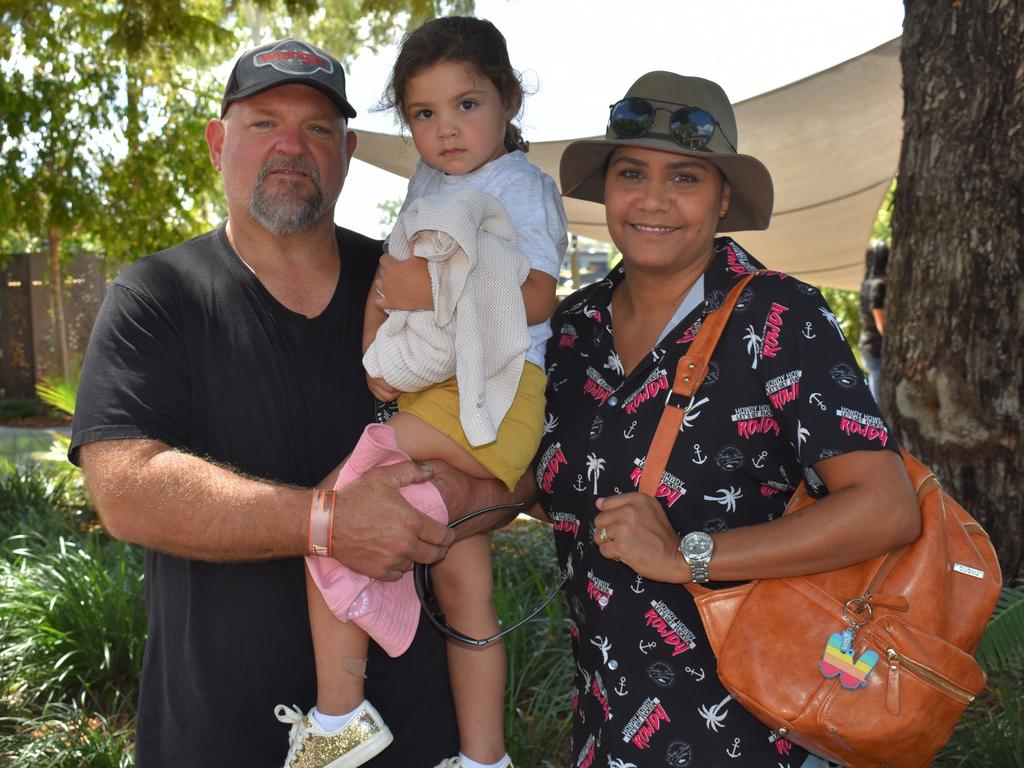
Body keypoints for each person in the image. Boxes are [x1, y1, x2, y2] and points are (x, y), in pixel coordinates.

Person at [69, 38, 522, 768]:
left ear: (346, 151)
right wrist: (330, 523)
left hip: (416, 739)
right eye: (263, 123)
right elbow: (127, 491)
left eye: (317, 129)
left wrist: (447, 502)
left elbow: (519, 456)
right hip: (216, 739)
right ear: (218, 143)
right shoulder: (158, 296)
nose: (292, 146)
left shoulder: (414, 281)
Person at [532, 72, 920, 767]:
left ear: (723, 198)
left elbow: (886, 509)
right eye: (632, 173)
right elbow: (557, 489)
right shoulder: (572, 327)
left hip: (754, 734)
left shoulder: (778, 315)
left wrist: (688, 557)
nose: (653, 199)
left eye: (685, 177)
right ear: (607, 188)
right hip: (608, 726)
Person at [290, 17, 567, 768]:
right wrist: (375, 351)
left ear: (508, 100)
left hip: (495, 386)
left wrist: (432, 286)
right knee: (465, 585)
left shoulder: (520, 185)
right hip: (439, 391)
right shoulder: (430, 182)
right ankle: (485, 759)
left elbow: (538, 296)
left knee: (332, 517)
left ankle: (338, 716)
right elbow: (391, 271)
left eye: (466, 105)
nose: (446, 129)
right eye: (423, 113)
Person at [858, 241, 889, 402]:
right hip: (877, 348)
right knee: (880, 401)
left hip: (867, 346)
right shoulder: (879, 286)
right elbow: (881, 323)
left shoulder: (865, 285)